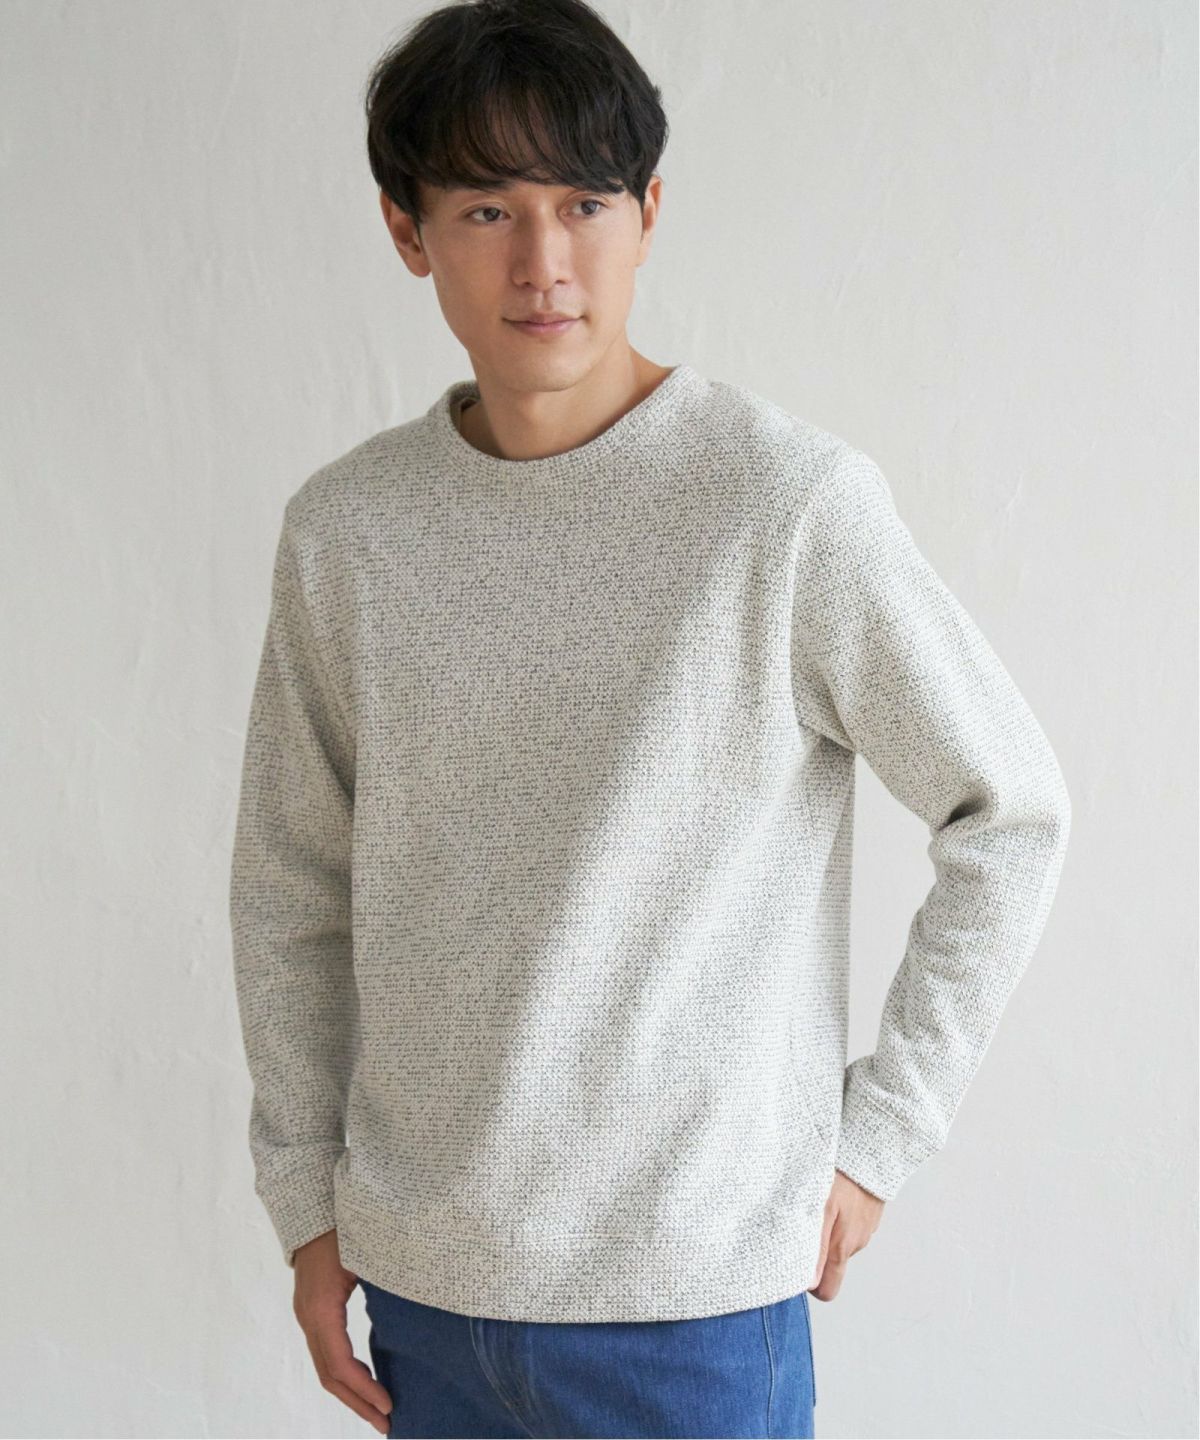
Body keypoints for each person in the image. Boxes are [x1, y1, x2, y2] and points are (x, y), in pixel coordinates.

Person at [227, 1, 1072, 1435]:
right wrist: (306, 1201)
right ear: (406, 229)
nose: (544, 261)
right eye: (487, 208)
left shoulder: (781, 504)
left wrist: (878, 1140)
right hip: (423, 1290)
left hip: (694, 1307)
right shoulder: (347, 533)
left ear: (650, 215)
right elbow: (290, 887)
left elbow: (1011, 813)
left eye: (586, 203)